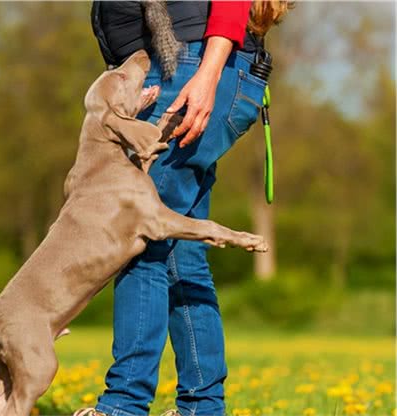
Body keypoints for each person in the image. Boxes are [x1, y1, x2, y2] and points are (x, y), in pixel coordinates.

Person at [75, 1, 290, 416]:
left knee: (139, 240)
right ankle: (202, 405)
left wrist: (206, 78)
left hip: (191, 69)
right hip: (196, 68)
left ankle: (124, 403)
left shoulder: (199, 67)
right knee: (180, 256)